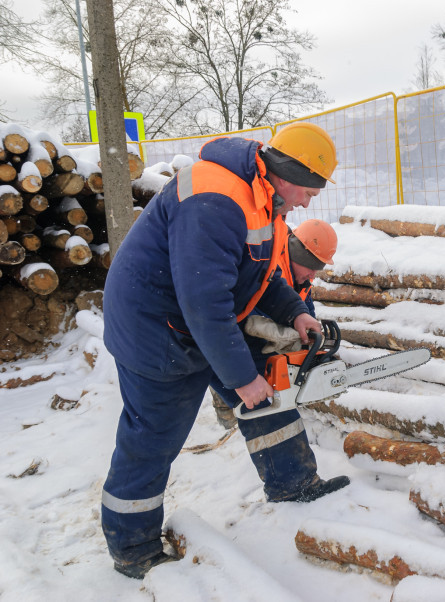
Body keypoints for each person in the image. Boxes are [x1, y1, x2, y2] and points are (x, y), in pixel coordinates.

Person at [101, 123, 348, 579]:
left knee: (268, 400)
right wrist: (240, 377)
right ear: (288, 172)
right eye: (310, 190)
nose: (308, 202)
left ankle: (293, 483)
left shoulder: (261, 197)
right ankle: (133, 548)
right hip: (156, 329)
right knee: (153, 437)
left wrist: (297, 313)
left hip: (202, 322)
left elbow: (261, 273)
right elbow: (203, 300)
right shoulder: (215, 200)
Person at [206, 220, 347, 507]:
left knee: (269, 402)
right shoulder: (270, 263)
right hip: (225, 337)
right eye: (311, 265)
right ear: (298, 253)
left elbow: (304, 312)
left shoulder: (301, 280)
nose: (313, 274)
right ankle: (292, 485)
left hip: (224, 341)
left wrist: (313, 349)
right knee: (269, 407)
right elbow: (245, 306)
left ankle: (291, 482)